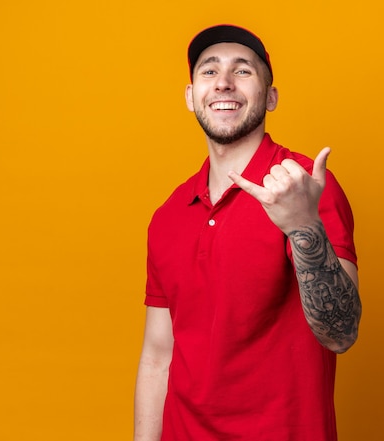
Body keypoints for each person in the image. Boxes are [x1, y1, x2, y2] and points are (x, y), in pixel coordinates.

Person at [134, 24, 362, 441]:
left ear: (270, 97)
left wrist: (302, 226)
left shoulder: (305, 186)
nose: (223, 82)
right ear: (190, 96)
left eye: (243, 71)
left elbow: (341, 333)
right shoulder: (168, 215)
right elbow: (158, 356)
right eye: (209, 71)